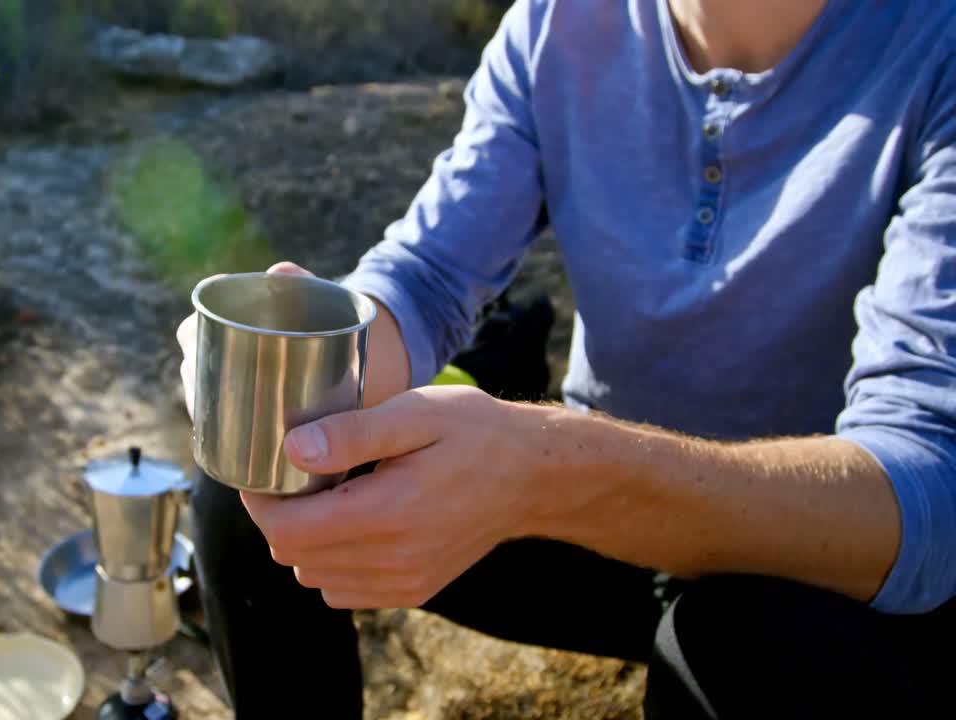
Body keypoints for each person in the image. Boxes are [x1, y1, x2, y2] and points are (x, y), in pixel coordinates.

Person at [174, 1, 956, 717]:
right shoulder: (560, 24)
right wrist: (301, 357)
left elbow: (925, 494)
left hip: (803, 566)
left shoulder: (934, 49)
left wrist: (548, 473)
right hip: (594, 532)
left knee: (738, 644)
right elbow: (430, 275)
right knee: (257, 466)